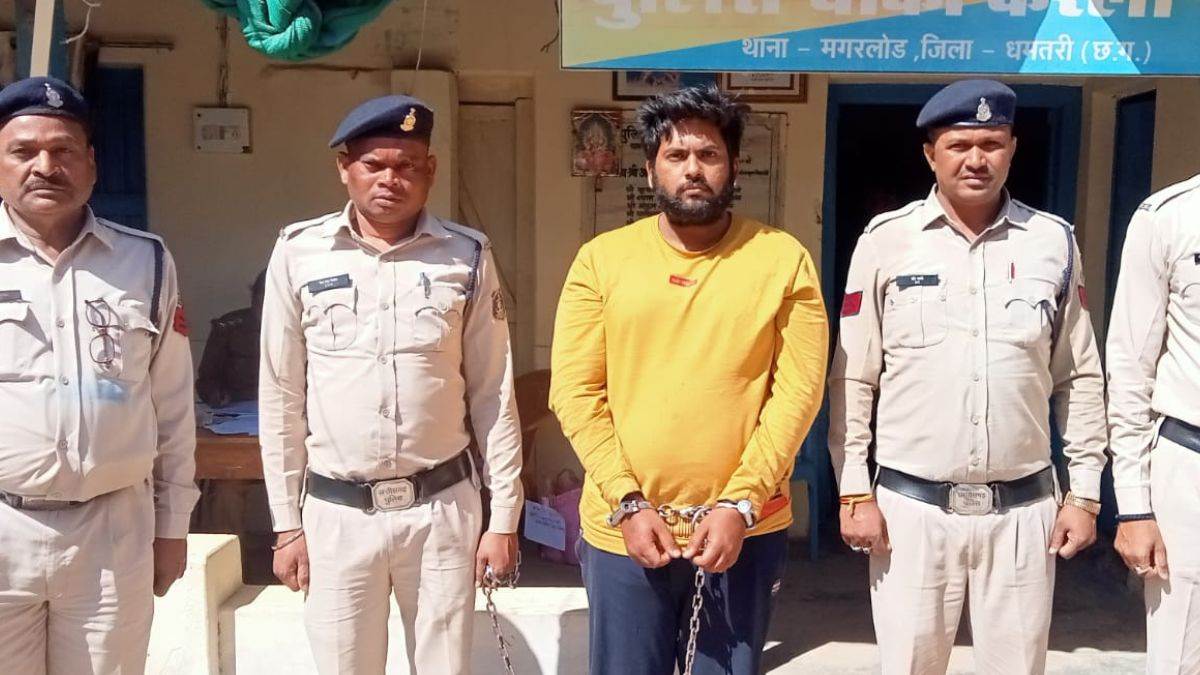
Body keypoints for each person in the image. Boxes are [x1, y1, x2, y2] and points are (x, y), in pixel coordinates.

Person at [827, 79, 1108, 675]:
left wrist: (1084, 492)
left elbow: (1079, 375)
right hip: (911, 512)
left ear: (1012, 149)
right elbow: (853, 377)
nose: (976, 159)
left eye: (991, 143)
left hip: (1022, 513)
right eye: (958, 145)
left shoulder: (1053, 241)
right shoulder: (885, 240)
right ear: (930, 154)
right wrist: (853, 489)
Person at [550, 85, 828, 675]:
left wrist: (741, 503)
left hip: (741, 531)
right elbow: (574, 392)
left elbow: (798, 393)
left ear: (734, 166)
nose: (693, 169)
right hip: (627, 530)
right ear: (651, 169)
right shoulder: (602, 260)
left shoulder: (782, 259)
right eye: (676, 156)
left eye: (709, 154)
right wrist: (627, 502)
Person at [259, 94, 523, 674]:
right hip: (336, 514)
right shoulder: (299, 252)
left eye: (407, 166)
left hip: (441, 510)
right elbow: (280, 396)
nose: (390, 179)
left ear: (430, 171)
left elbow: (493, 392)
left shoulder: (466, 255)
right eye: (374, 164)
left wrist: (503, 517)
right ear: (344, 168)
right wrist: (285, 526)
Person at [0, 76, 197, 673]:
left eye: (63, 151)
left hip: (113, 533)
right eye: (23, 151)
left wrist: (173, 527)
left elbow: (172, 405)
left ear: (91, 164)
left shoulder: (146, 260)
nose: (45, 166)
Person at [1107, 173, 1200, 674]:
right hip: (1190, 467)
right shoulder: (1170, 216)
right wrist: (1134, 505)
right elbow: (1129, 367)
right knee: (1181, 658)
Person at [196, 269, 265, 406]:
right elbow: (206, 380)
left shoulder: (296, 328)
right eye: (261, 301)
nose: (264, 308)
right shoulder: (228, 327)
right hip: (236, 408)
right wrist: (215, 394)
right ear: (253, 298)